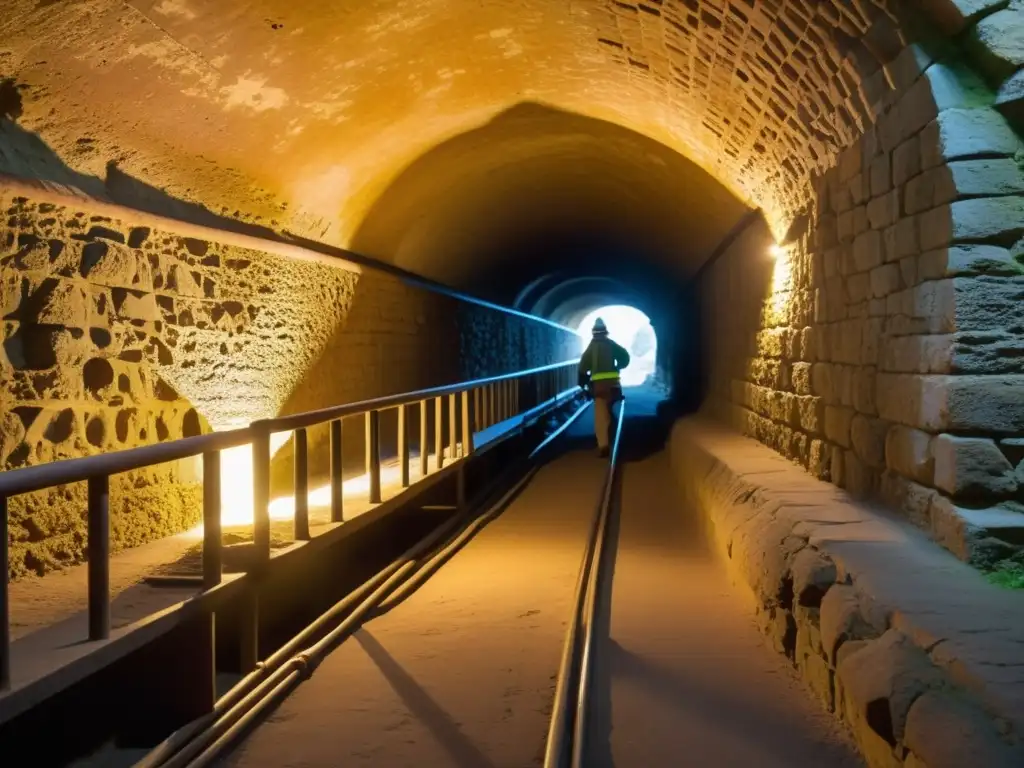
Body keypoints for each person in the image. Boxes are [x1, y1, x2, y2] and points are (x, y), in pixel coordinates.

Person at [577, 317, 631, 458]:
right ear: (606, 332)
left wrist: (582, 382)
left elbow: (583, 367)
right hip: (613, 385)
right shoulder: (611, 345)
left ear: (593, 333)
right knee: (612, 410)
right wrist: (618, 367)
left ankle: (604, 445)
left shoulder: (591, 348)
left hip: (599, 388)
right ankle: (614, 434)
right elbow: (625, 357)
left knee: (600, 416)